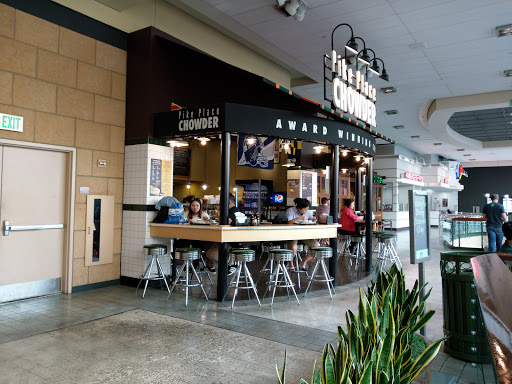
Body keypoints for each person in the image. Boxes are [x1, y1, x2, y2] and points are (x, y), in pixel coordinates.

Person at [286, 198, 319, 270]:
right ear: (298, 208)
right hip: (293, 235)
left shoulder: (308, 212)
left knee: (316, 246)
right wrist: (299, 218)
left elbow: (311, 219)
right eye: (305, 209)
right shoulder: (290, 211)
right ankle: (290, 264)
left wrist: (313, 220)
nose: (306, 211)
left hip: (304, 235)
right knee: (294, 247)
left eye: (307, 209)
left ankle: (303, 262)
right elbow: (288, 222)